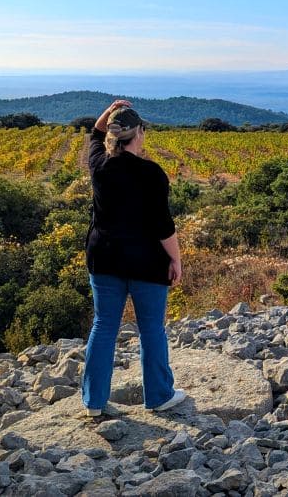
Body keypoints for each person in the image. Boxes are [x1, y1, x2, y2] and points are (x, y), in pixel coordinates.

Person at [81, 99, 186, 416]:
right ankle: (158, 396)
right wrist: (176, 261)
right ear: (139, 133)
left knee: (103, 326)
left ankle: (94, 403)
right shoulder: (152, 173)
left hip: (105, 259)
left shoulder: (98, 165)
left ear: (113, 135)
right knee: (152, 329)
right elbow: (162, 225)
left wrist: (110, 110)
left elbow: (95, 134)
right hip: (146, 261)